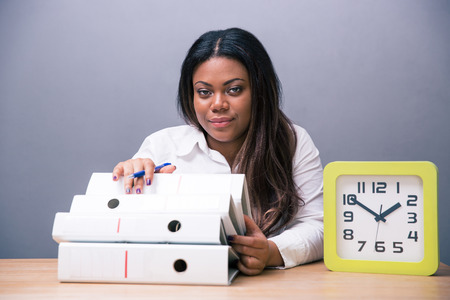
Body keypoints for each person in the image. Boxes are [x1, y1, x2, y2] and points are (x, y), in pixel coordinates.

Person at [112, 28, 323, 275]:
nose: (217, 104)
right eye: (204, 92)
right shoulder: (161, 146)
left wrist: (269, 251)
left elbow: (318, 226)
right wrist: (131, 190)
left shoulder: (292, 140)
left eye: (234, 89)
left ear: (259, 90)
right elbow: (125, 233)